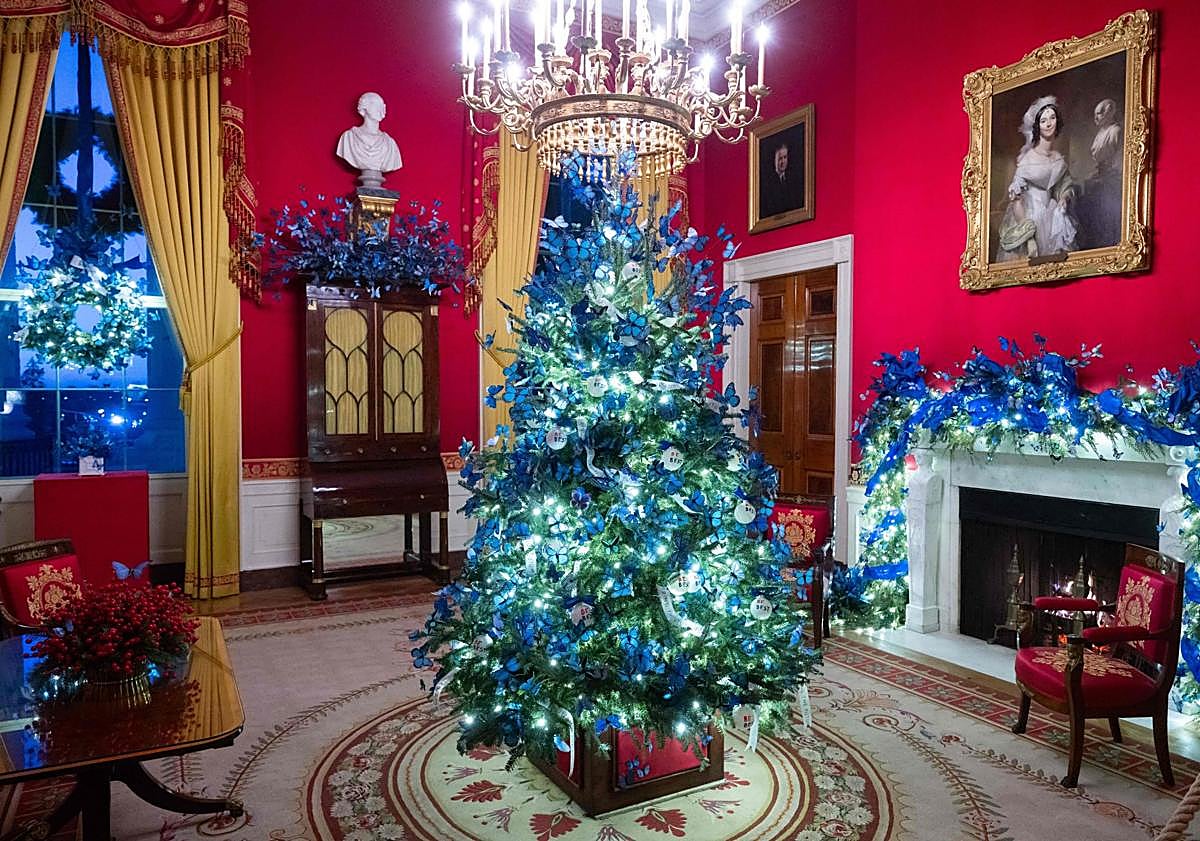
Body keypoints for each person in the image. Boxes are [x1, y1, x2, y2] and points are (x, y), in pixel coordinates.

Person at [995, 96, 1079, 262]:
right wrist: (1029, 237)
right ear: (1037, 127)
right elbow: (1016, 201)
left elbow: (1065, 185)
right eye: (1043, 121)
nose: (1048, 124)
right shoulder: (1028, 160)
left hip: (1053, 215)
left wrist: (1063, 197)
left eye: (1052, 118)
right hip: (1030, 217)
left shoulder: (1058, 159)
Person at [1078, 98, 1123, 249]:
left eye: (1099, 113)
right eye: (1095, 114)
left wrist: (1110, 172)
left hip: (1111, 176)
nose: (1096, 117)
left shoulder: (1115, 131)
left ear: (1109, 112)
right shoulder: (1099, 134)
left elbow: (1119, 156)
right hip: (1099, 174)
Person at [336, 92, 403, 188]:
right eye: (375, 105)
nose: (381, 110)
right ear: (364, 108)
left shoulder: (390, 144)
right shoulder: (349, 138)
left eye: (382, 106)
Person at [760, 139, 805, 218]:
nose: (783, 161)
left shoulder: (793, 179)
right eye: (780, 158)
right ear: (774, 160)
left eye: (785, 157)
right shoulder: (767, 183)